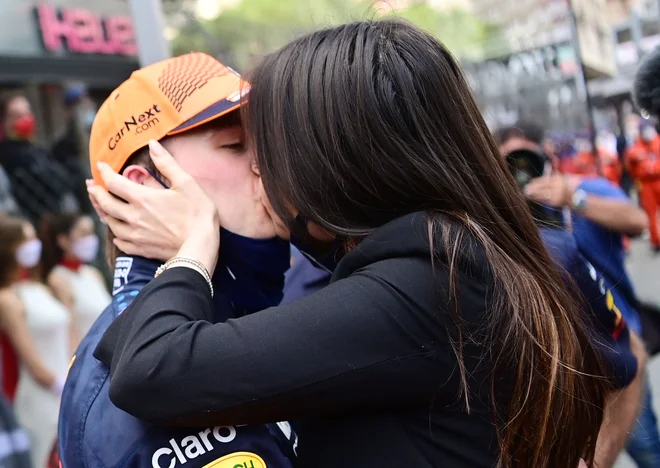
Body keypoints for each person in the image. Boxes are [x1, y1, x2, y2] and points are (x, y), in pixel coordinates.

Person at [90, 20, 620, 467]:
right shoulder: (452, 253)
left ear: (339, 157)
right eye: (236, 148)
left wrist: (189, 249)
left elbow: (152, 370)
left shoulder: (427, 279)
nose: (260, 170)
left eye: (271, 150)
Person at [57, 53, 297, 468]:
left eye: (268, 143)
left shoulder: (230, 305)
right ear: (144, 188)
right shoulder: (152, 367)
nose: (266, 164)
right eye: (235, 145)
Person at [498, 123, 659, 468]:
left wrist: (574, 199)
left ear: (547, 156)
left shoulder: (586, 189)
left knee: (647, 450)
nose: (522, 174)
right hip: (562, 371)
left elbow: (638, 220)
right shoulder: (504, 219)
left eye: (528, 160)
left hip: (620, 348)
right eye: (510, 165)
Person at [0, 216, 69, 467]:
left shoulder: (41, 288)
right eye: (26, 240)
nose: (34, 244)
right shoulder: (7, 298)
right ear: (9, 248)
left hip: (63, 388)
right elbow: (30, 361)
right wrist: (63, 386)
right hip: (39, 397)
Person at [0, 92, 80, 224]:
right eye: (18, 115)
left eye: (27, 113)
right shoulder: (9, 155)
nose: (26, 118)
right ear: (5, 121)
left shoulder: (34, 148)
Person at [38, 213, 110, 345]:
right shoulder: (58, 278)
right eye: (84, 233)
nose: (91, 239)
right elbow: (69, 331)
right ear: (63, 240)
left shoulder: (93, 273)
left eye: (91, 233)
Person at [625, 122, 660, 252]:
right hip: (646, 183)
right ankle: (656, 241)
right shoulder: (635, 147)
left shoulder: (658, 142)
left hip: (659, 179)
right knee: (650, 213)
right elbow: (630, 166)